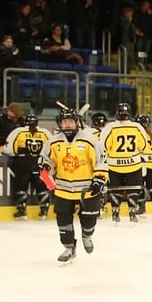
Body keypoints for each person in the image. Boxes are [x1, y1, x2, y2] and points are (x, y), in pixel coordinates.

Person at [38, 107, 107, 264]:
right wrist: (45, 169)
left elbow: (101, 160)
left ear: (76, 122)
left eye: (70, 121)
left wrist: (99, 179)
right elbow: (46, 160)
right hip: (63, 189)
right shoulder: (54, 141)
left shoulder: (89, 140)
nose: (67, 125)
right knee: (63, 222)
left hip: (86, 190)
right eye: (64, 122)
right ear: (60, 123)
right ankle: (69, 248)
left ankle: (87, 235)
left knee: (89, 220)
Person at [100, 103, 147, 222]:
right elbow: (144, 145)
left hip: (114, 165)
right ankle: (132, 212)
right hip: (134, 164)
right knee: (133, 190)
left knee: (116, 190)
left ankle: (115, 212)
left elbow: (104, 146)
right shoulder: (137, 127)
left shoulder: (110, 127)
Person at [2, 112, 51, 219]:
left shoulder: (18, 131)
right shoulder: (45, 132)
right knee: (44, 184)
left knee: (21, 185)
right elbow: (52, 150)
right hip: (41, 161)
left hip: (23, 161)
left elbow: (9, 150)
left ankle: (22, 210)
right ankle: (44, 210)